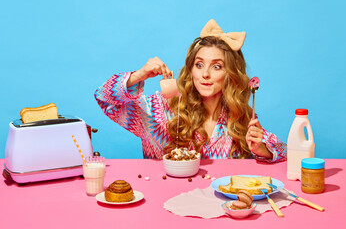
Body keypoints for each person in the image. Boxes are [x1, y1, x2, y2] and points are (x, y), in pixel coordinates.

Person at [94, 19, 286, 162]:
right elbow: (104, 98)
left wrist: (263, 150)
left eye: (217, 66)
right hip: (163, 205)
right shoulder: (160, 109)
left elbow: (284, 151)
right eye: (199, 65)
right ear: (191, 69)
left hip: (219, 208)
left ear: (230, 74)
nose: (205, 74)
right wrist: (138, 75)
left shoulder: (239, 118)